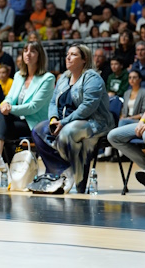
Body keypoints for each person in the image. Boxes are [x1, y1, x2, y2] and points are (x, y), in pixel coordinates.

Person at [32, 44, 114, 194]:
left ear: (84, 59)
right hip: (64, 122)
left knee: (68, 132)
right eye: (67, 54)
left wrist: (63, 123)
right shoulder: (64, 77)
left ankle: (76, 181)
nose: (68, 57)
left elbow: (88, 106)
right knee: (38, 130)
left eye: (74, 54)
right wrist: (53, 119)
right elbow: (53, 102)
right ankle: (64, 170)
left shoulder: (92, 77)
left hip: (94, 122)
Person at [0, 42, 55, 184]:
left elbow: (33, 107)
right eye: (25, 50)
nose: (28, 54)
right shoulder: (19, 76)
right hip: (18, 121)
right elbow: (10, 98)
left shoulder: (48, 78)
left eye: (33, 51)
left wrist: (8, 108)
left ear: (40, 56)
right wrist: (5, 104)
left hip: (35, 125)